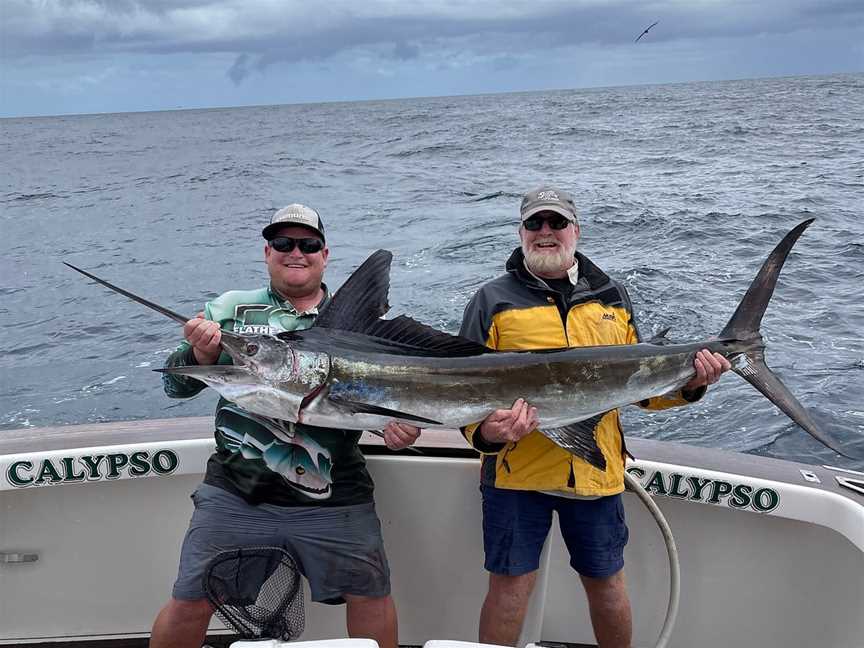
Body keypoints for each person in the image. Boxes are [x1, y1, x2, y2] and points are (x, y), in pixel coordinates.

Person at [458, 187, 731, 648]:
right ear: (521, 233)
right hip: (515, 477)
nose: (546, 233)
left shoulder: (612, 296)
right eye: (535, 224)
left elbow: (643, 393)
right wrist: (485, 433)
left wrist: (692, 383)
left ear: (575, 231)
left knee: (607, 589)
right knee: (508, 591)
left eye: (556, 223)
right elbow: (460, 389)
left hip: (595, 474)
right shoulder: (490, 300)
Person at [149, 204, 420, 648]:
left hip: (336, 492)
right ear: (267, 252)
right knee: (190, 601)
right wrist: (198, 357)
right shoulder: (228, 310)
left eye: (308, 244)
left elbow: (384, 402)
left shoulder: (355, 324)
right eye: (283, 243)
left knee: (370, 595)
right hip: (238, 489)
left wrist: (399, 428)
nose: (296, 252)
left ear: (324, 254)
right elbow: (177, 388)